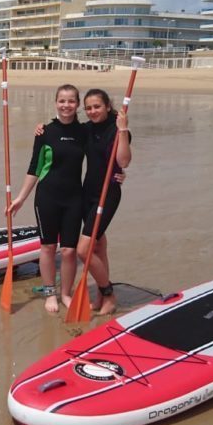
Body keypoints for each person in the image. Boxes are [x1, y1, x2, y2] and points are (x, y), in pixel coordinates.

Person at [7, 84, 87, 313]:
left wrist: (119, 173)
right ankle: (50, 293)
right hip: (47, 198)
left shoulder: (84, 132)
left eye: (71, 101)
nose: (66, 105)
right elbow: (35, 167)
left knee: (70, 251)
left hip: (74, 198)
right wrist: (21, 198)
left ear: (77, 104)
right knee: (48, 247)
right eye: (62, 101)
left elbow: (103, 151)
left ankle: (65, 294)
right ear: (55, 103)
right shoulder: (46, 132)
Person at [79, 89, 132, 315]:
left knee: (84, 249)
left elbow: (124, 161)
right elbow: (62, 133)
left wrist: (122, 129)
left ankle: (109, 294)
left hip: (107, 194)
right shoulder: (87, 129)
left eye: (97, 106)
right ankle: (101, 296)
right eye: (88, 107)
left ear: (108, 106)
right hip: (87, 193)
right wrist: (42, 129)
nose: (92, 111)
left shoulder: (117, 129)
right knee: (99, 246)